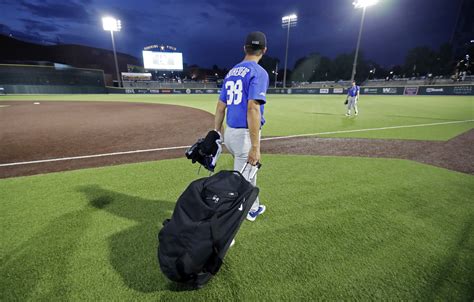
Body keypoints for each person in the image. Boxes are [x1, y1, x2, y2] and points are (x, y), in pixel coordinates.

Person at [214, 31, 269, 222]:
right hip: (244, 135)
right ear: (264, 50)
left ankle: (253, 207)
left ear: (244, 48)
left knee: (248, 173)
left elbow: (221, 107)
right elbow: (253, 108)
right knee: (238, 185)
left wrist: (216, 134)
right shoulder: (258, 72)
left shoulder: (231, 72)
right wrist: (255, 146)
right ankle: (223, 227)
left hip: (230, 133)